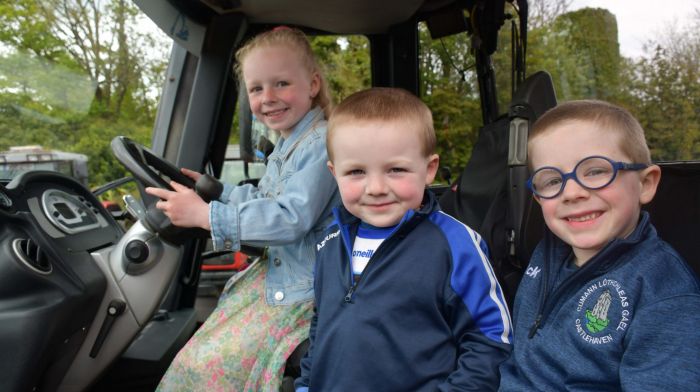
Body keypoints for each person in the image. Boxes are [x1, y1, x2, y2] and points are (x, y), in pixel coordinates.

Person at [146, 27, 340, 391]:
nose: (268, 98)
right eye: (256, 88)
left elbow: (289, 218)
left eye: (281, 83)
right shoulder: (289, 144)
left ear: (312, 85)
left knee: (201, 365)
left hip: (305, 292)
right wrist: (217, 191)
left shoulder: (321, 144)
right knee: (201, 350)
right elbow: (267, 199)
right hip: (283, 279)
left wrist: (206, 215)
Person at [295, 87, 513, 392]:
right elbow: (322, 324)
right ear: (334, 174)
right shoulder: (331, 240)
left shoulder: (454, 245)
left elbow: (490, 340)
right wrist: (306, 386)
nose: (376, 187)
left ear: (429, 169)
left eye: (396, 169)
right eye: (356, 171)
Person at [498, 100, 700, 391]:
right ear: (539, 198)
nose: (572, 192)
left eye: (595, 171)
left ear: (646, 184)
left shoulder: (665, 293)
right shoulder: (547, 252)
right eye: (552, 180)